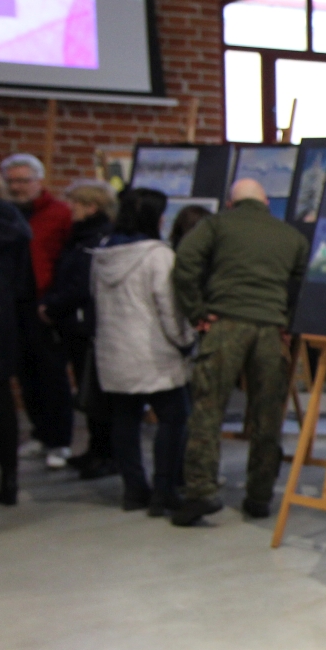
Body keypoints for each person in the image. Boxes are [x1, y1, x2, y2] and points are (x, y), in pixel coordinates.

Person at [172, 178, 308, 526]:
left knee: (208, 410)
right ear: (266, 202)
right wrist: (288, 320)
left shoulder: (216, 225)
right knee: (267, 415)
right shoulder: (291, 236)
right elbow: (306, 283)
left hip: (225, 325)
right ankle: (260, 495)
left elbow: (185, 262)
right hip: (270, 331)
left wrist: (197, 311)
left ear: (230, 203)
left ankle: (200, 491)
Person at [92, 189, 193, 514]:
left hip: (115, 350)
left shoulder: (102, 254)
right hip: (154, 352)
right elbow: (170, 309)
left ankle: (134, 490)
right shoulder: (158, 256)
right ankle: (165, 490)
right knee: (175, 417)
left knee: (125, 420)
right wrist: (185, 341)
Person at [40, 180, 118, 479]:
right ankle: (95, 450)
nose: (69, 208)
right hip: (75, 322)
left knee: (96, 392)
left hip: (89, 323)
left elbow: (82, 283)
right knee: (88, 391)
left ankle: (105, 453)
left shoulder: (97, 239)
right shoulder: (80, 237)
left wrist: (53, 306)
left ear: (91, 206)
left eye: (75, 203)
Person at [2, 153, 74, 468]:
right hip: (12, 302)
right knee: (25, 372)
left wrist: (56, 300)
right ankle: (40, 433)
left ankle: (60, 440)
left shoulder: (59, 213)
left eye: (23, 180)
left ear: (38, 181)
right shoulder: (4, 213)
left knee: (52, 373)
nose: (17, 187)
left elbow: (67, 260)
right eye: (12, 181)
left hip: (45, 302)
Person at [0, 154, 34, 521]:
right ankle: (9, 481)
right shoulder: (10, 217)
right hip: (3, 320)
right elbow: (23, 280)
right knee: (2, 402)